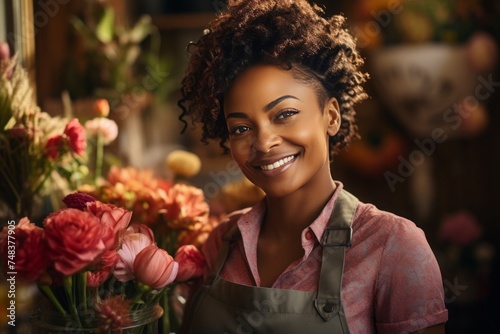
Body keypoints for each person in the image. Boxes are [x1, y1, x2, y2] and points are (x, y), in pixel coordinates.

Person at [178, 0, 448, 333]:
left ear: (331, 116)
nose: (263, 143)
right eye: (241, 128)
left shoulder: (393, 247)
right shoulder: (220, 243)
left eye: (285, 114)